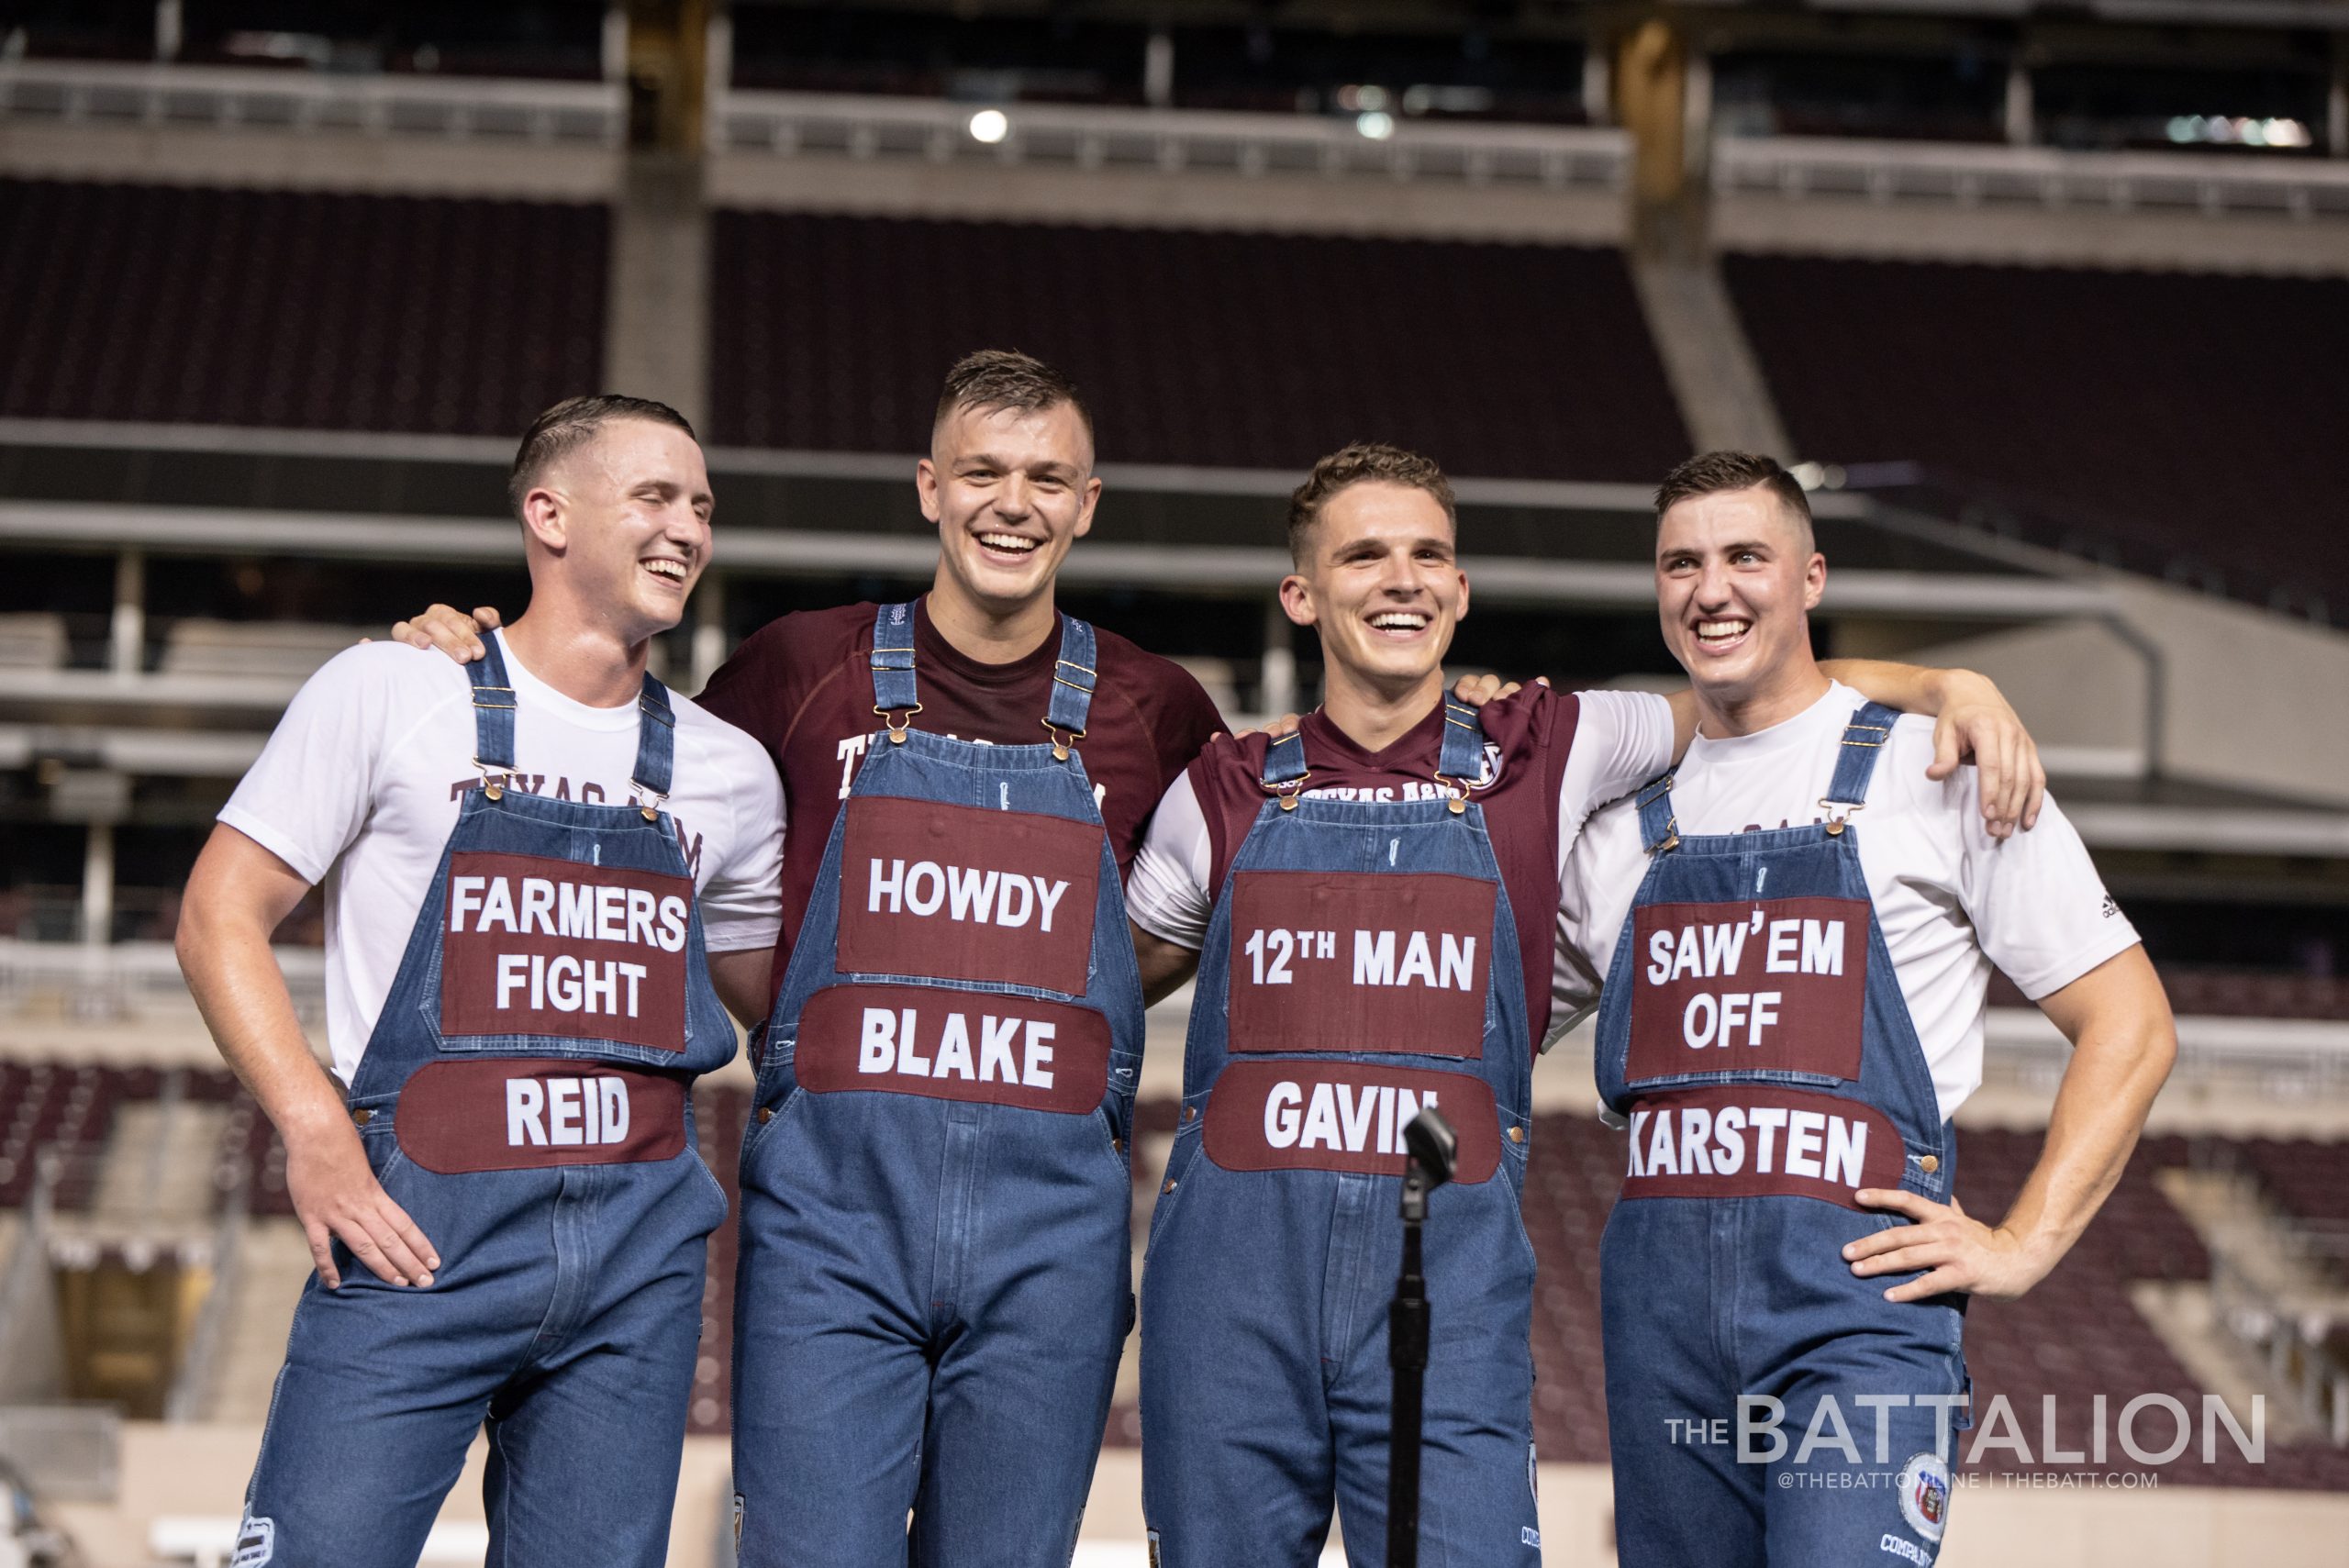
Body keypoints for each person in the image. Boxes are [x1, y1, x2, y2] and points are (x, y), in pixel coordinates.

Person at [1120, 442, 2041, 1567]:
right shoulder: (1218, 785)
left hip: (1446, 1300)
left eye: (1427, 555)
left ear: (1460, 591)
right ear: (1302, 593)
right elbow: (1104, 990)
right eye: (1364, 554)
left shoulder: (1554, 746)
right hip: (1229, 1301)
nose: (1400, 578)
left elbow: (1756, 690)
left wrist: (1948, 684)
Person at [393, 351, 1227, 1566]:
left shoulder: (1158, 707)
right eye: (984, 471)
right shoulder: (796, 671)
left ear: (1086, 502)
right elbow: (628, 756)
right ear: (930, 487)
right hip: (834, 1227)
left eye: (1048, 477)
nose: (1015, 501)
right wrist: (478, 646)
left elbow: (1182, 914)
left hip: (1051, 1238)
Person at [175, 396, 784, 1568]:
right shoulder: (392, 690)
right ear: (547, 515)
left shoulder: (729, 770)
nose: (687, 528)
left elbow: (773, 1001)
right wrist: (312, 1125)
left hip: (638, 1259)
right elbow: (217, 915)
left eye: (702, 506)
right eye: (654, 497)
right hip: (415, 1233)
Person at [1555, 450, 2176, 1568]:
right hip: (1661, 1329)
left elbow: (2129, 1020)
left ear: (1812, 577)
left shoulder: (1938, 764)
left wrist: (2024, 1244)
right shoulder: (1612, 826)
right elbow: (1477, 1023)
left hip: (1856, 1319)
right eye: (1681, 563)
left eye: (1748, 556)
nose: (1712, 589)